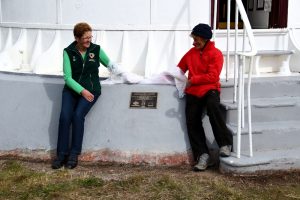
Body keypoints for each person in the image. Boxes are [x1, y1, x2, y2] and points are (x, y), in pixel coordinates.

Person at [52, 22, 118, 169]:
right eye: (85, 38)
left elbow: (111, 65)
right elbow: (67, 78)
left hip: (92, 89)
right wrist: (82, 90)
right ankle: (61, 154)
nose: (89, 40)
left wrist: (124, 73)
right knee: (64, 117)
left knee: (77, 116)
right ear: (77, 38)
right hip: (72, 90)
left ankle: (74, 154)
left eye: (90, 36)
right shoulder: (68, 52)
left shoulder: (96, 49)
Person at [177, 23, 233, 171]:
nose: (194, 42)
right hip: (193, 92)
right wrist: (169, 77)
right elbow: (179, 69)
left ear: (205, 39)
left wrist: (193, 80)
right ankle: (203, 155)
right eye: (193, 38)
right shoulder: (191, 53)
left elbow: (213, 76)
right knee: (191, 120)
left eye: (197, 39)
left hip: (210, 89)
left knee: (213, 108)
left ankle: (225, 144)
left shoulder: (216, 54)